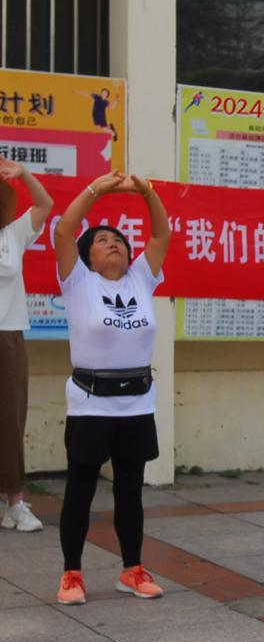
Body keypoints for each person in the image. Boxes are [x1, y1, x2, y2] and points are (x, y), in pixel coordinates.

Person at [50, 171, 172, 606]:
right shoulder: (78, 282)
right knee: (80, 491)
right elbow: (65, 229)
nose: (113, 243)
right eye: (102, 240)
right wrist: (98, 190)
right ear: (87, 256)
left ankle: (132, 569)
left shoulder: (142, 278)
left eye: (118, 239)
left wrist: (147, 192)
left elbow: (162, 231)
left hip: (136, 403)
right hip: (90, 405)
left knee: (130, 492)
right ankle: (72, 574)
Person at [0, 157, 54, 532]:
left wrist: (25, 175)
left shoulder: (14, 233)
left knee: (10, 417)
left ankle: (15, 500)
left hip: (9, 334)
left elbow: (45, 205)